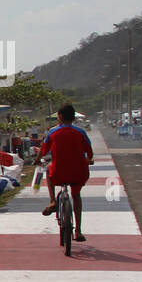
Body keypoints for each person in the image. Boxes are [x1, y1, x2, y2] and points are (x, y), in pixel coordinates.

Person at [39, 103, 94, 241]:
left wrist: (36, 160)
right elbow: (90, 153)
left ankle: (52, 201)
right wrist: (88, 160)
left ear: (60, 117)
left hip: (59, 172)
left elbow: (43, 151)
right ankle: (79, 231)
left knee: (48, 171)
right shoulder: (81, 132)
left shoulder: (52, 132)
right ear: (74, 118)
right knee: (76, 196)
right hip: (79, 173)